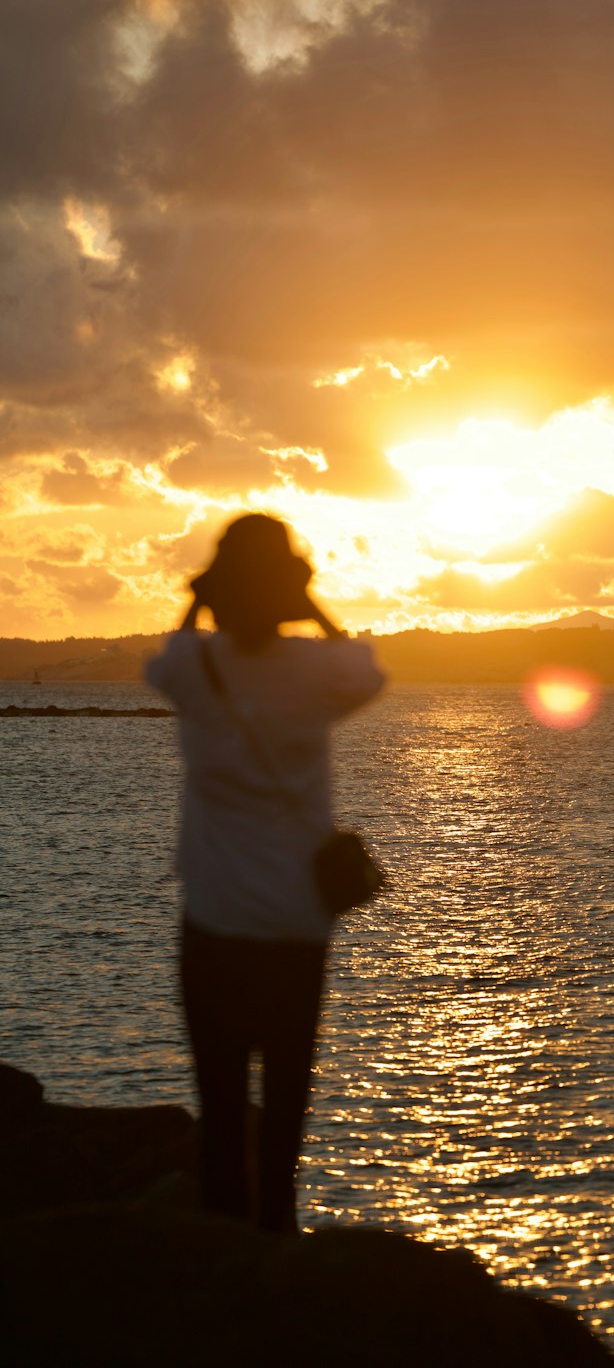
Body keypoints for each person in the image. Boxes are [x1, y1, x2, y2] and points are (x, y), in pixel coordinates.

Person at [145, 513, 385, 1233]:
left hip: (215, 919)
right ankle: (278, 1239)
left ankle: (224, 1249)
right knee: (286, 1104)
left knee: (220, 1102)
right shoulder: (316, 674)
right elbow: (365, 668)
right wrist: (307, 601)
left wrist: (204, 593)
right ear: (288, 590)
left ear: (220, 589)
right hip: (296, 924)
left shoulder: (192, 670)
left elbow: (173, 649)